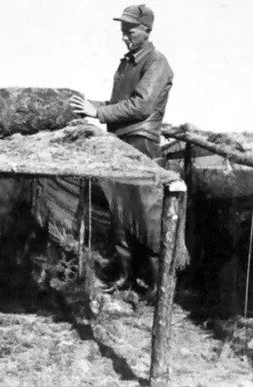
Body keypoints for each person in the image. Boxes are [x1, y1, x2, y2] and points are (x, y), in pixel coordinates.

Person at [69, 4, 173, 297]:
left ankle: (156, 286)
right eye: (123, 30)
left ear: (147, 30)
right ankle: (125, 277)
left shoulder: (157, 63)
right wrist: (92, 108)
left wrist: (99, 113)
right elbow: (121, 103)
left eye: (130, 30)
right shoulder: (127, 63)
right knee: (120, 214)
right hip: (120, 144)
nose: (125, 35)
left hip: (141, 144)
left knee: (146, 216)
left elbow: (141, 106)